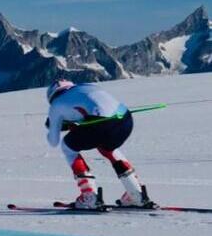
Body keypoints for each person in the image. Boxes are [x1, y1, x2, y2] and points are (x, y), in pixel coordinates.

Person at [45, 80, 149, 209]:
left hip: (101, 124)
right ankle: (136, 194)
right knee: (108, 148)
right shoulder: (86, 86)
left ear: (52, 97)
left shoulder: (55, 104)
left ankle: (89, 196)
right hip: (125, 119)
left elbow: (53, 141)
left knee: (67, 147)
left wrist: (55, 125)